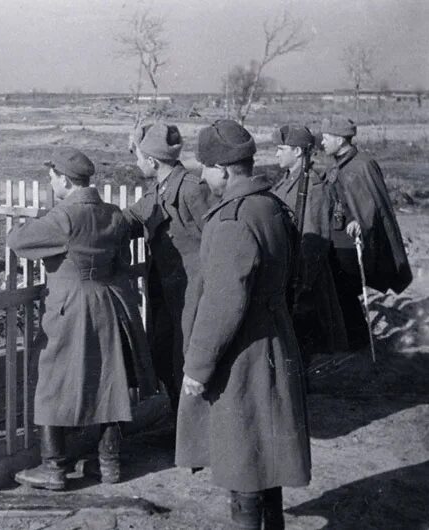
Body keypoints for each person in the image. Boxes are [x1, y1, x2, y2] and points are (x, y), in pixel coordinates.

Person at [176, 120, 311, 529]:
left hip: (243, 352)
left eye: (205, 167)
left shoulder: (231, 219)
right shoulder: (270, 205)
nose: (202, 175)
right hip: (274, 341)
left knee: (243, 458)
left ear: (222, 168)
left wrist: (197, 369)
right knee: (265, 454)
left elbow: (222, 304)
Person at [8, 147, 156, 490]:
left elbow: (17, 242)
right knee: (109, 380)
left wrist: (46, 216)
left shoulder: (64, 217)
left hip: (71, 306)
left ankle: (53, 468)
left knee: (52, 380)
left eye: (51, 176)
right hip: (109, 302)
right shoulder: (112, 214)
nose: (49, 181)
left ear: (64, 180)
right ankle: (109, 464)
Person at [122, 122, 215, 413]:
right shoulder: (160, 187)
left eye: (138, 157)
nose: (137, 163)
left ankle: (195, 433)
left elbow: (217, 237)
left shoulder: (191, 189)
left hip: (194, 292)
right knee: (164, 356)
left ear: (151, 161)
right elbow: (135, 217)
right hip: (167, 291)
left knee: (187, 359)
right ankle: (179, 425)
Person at [320, 117, 412, 350]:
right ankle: (350, 338)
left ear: (340, 140)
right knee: (339, 291)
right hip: (335, 235)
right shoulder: (334, 164)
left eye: (326, 137)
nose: (322, 142)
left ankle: (358, 341)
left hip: (352, 241)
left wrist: (360, 221)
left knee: (345, 291)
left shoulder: (363, 164)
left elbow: (374, 204)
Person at [272, 125, 348, 359]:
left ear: (297, 152)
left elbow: (314, 240)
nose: (276, 154)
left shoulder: (313, 187)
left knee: (311, 340)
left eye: (280, 148)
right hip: (289, 271)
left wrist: (302, 282)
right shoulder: (287, 180)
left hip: (305, 278)